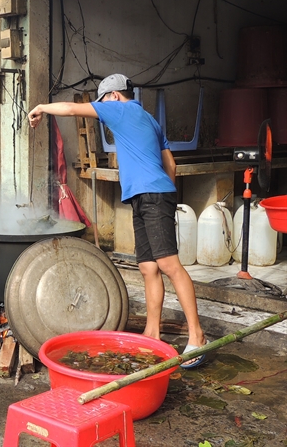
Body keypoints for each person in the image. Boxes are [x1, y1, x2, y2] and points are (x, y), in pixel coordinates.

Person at [28, 74, 208, 368]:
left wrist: (42, 107)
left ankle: (197, 337)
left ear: (113, 96)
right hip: (149, 195)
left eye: (102, 102)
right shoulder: (149, 119)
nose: (100, 110)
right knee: (148, 267)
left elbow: (73, 110)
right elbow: (171, 165)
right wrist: (168, 196)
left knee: (169, 265)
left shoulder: (121, 108)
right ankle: (152, 333)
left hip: (152, 195)